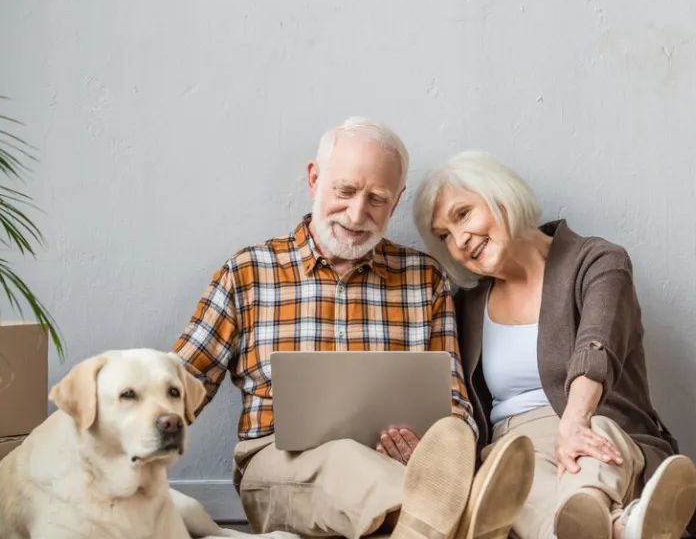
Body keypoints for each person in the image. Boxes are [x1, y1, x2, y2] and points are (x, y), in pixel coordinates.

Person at [172, 118, 535, 539]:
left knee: (448, 437)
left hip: (397, 468)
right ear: (314, 179)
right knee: (346, 458)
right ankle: (454, 517)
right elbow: (176, 386)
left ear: (395, 203)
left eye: (377, 199)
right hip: (278, 466)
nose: (357, 213)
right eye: (344, 191)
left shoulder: (424, 278)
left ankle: (427, 522)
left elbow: (452, 401)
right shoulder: (249, 273)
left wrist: (431, 447)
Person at [411, 150, 696, 539]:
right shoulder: (466, 303)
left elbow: (596, 344)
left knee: (593, 444)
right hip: (515, 449)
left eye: (463, 214)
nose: (460, 240)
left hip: (602, 427)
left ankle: (590, 517)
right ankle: (624, 527)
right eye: (445, 236)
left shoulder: (597, 261)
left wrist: (574, 422)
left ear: (501, 195)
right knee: (508, 477)